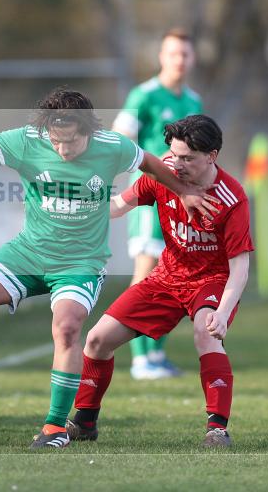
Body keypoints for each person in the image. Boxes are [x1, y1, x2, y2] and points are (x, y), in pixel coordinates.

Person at [0, 87, 219, 449]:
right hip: (29, 251)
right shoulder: (29, 140)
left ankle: (55, 427)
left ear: (88, 132)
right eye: (56, 141)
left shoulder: (112, 146)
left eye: (70, 142)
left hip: (81, 262)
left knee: (67, 326)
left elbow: (151, 163)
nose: (62, 149)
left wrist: (183, 191)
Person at [66, 115, 253, 448]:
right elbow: (117, 207)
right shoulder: (161, 175)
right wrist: (75, 204)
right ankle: (84, 421)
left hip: (212, 279)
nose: (176, 164)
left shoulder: (231, 197)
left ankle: (217, 429)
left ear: (212, 156)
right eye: (174, 154)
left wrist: (223, 312)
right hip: (166, 277)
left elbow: (240, 265)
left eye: (187, 158)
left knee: (205, 332)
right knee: (96, 340)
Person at [112, 28, 203, 380]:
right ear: (162, 56)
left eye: (185, 54)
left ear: (192, 59)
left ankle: (156, 354)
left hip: (181, 201)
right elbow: (119, 139)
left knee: (172, 277)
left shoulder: (193, 101)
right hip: (151, 199)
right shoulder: (144, 95)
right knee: (145, 273)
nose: (179, 60)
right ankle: (139, 358)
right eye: (173, 53)